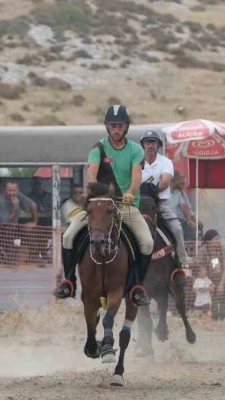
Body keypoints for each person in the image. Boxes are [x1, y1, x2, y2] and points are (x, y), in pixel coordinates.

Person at [53, 104, 154, 306]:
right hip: (100, 204)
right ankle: (69, 281)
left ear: (126, 127)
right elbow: (91, 173)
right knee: (68, 236)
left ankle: (137, 287)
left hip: (125, 205)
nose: (116, 129)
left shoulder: (136, 150)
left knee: (147, 243)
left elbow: (136, 176)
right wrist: (95, 190)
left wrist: (130, 193)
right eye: (113, 125)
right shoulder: (98, 148)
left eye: (120, 126)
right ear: (107, 127)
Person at [139, 129, 191, 270]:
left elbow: (166, 181)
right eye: (148, 142)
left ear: (158, 145)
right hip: (139, 204)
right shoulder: (136, 162)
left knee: (177, 228)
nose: (150, 145)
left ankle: (181, 258)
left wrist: (152, 191)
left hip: (159, 203)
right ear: (143, 145)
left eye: (153, 143)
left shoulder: (166, 162)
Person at [197, 229, 225, 320]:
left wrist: (221, 284)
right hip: (210, 277)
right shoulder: (203, 250)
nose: (218, 241)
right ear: (209, 241)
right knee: (213, 300)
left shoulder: (222, 248)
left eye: (219, 238)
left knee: (224, 298)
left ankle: (224, 318)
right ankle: (214, 317)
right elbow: (198, 266)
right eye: (216, 239)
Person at [168, 173, 197, 239]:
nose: (182, 182)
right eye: (180, 180)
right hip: (165, 219)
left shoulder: (177, 193)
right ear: (175, 180)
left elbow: (184, 208)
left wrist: (189, 220)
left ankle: (188, 248)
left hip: (175, 220)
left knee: (190, 228)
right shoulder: (164, 191)